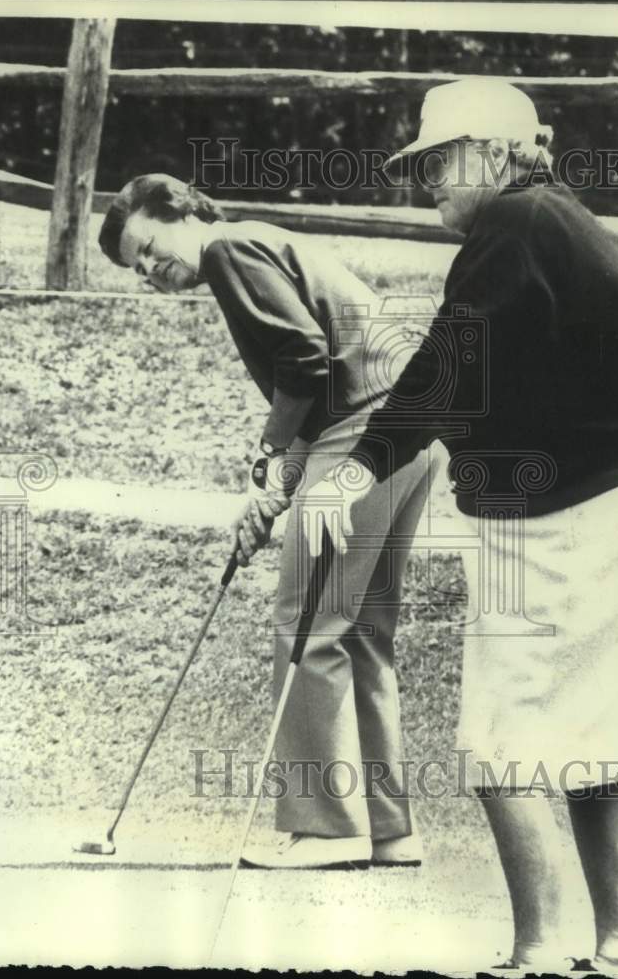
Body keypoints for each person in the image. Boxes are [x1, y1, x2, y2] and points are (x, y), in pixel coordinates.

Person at [303, 78, 618, 972]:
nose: (426, 176)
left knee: (500, 739)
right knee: (600, 738)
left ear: (500, 153)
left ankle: (535, 950)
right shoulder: (563, 223)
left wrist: (353, 469)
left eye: (442, 158)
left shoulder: (513, 225)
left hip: (553, 527)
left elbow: (446, 367)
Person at [98, 174, 440, 869]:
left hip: (365, 429)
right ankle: (386, 829)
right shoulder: (257, 245)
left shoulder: (227, 250)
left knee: (308, 627)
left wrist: (268, 456)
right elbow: (314, 377)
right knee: (361, 633)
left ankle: (327, 829)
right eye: (139, 269)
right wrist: (277, 484)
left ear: (184, 212)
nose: (152, 271)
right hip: (409, 431)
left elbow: (306, 360)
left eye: (152, 248)